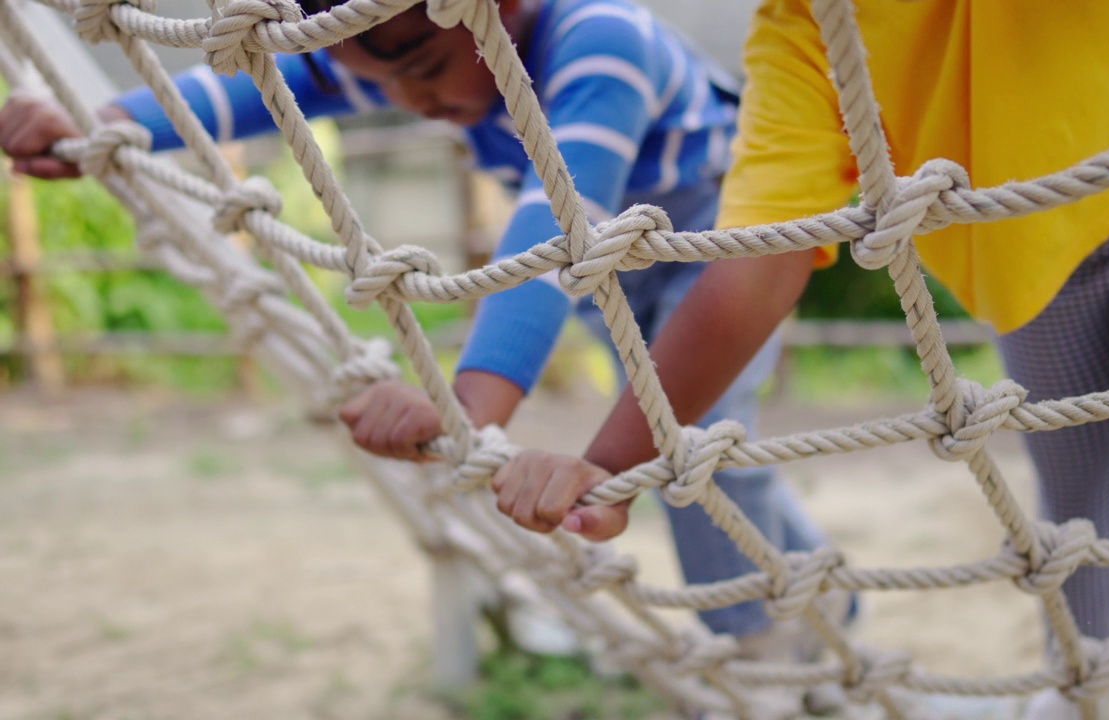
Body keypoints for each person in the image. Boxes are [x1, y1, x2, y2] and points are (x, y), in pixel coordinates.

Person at [0, 0, 850, 669]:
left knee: (679, 453)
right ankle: (817, 598)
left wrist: (464, 408)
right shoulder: (401, 46)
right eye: (382, 79)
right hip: (609, 270)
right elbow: (248, 91)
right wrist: (100, 119)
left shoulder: (600, 40)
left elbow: (550, 231)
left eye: (425, 70)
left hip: (714, 247)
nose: (412, 100)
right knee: (700, 459)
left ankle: (757, 655)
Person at [488, 2, 1109, 719]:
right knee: (1076, 513)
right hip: (1037, 271)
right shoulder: (806, 28)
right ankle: (1075, 688)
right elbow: (760, 263)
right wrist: (609, 465)